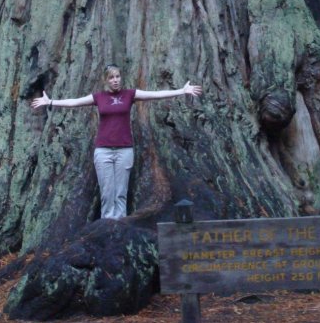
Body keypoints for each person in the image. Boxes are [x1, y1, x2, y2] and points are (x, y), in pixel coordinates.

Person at [31, 64, 202, 219]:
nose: (115, 80)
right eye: (111, 77)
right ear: (106, 80)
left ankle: (120, 222)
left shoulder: (130, 95)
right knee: (107, 192)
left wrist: (181, 91)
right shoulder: (99, 97)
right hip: (103, 151)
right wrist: (51, 101)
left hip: (124, 150)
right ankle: (107, 223)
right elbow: (75, 102)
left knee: (121, 191)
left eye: (118, 76)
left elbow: (155, 95)